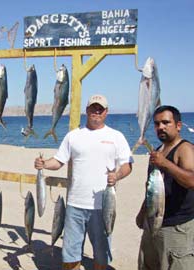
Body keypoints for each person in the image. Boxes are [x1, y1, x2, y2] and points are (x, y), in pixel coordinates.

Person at [34, 94, 133, 270]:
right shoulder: (74, 136)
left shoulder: (116, 136)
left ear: (106, 112)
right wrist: (44, 164)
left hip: (103, 207)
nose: (96, 111)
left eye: (100, 109)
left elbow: (127, 165)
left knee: (101, 258)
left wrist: (116, 176)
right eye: (93, 108)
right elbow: (58, 161)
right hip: (74, 205)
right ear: (86, 111)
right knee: (70, 257)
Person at [136, 105, 194, 270]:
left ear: (178, 126)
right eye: (156, 123)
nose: (160, 127)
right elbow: (151, 189)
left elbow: (191, 180)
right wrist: (142, 214)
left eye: (166, 122)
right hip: (153, 223)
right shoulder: (158, 151)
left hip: (176, 229)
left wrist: (165, 163)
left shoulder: (185, 149)